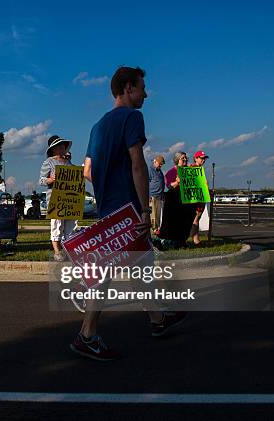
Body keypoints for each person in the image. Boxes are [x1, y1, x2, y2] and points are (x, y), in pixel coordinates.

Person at [73, 66, 185, 361]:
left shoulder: (97, 126)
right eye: (141, 88)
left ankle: (158, 318)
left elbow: (88, 171)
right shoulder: (132, 117)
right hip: (128, 208)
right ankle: (87, 335)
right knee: (109, 272)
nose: (145, 94)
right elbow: (138, 165)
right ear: (127, 88)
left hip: (108, 208)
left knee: (140, 264)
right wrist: (144, 210)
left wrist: (107, 189)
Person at [39, 135, 78, 261]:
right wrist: (51, 179)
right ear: (53, 149)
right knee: (57, 225)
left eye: (63, 145)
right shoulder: (48, 162)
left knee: (70, 226)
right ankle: (57, 251)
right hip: (56, 199)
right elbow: (41, 180)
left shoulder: (68, 162)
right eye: (59, 146)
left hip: (70, 199)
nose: (62, 147)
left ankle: (69, 251)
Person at [158, 151, 195, 248]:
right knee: (174, 221)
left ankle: (182, 241)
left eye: (186, 158)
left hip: (187, 199)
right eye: (183, 158)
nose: (185, 159)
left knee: (186, 220)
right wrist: (177, 182)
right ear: (177, 160)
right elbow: (169, 186)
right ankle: (172, 241)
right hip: (175, 199)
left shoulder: (188, 170)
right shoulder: (171, 172)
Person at [189, 150, 209, 245]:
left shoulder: (201, 169)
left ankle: (195, 238)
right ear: (196, 158)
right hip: (195, 197)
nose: (203, 160)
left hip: (201, 197)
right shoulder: (193, 168)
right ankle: (195, 239)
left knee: (198, 217)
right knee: (196, 218)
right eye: (201, 158)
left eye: (204, 158)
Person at [148, 155, 166, 234]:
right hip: (152, 196)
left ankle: (157, 231)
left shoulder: (159, 171)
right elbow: (146, 182)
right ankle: (153, 232)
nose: (161, 165)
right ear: (155, 161)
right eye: (160, 164)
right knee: (153, 216)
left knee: (158, 216)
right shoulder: (150, 170)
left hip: (159, 196)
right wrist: (147, 195)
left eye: (162, 164)